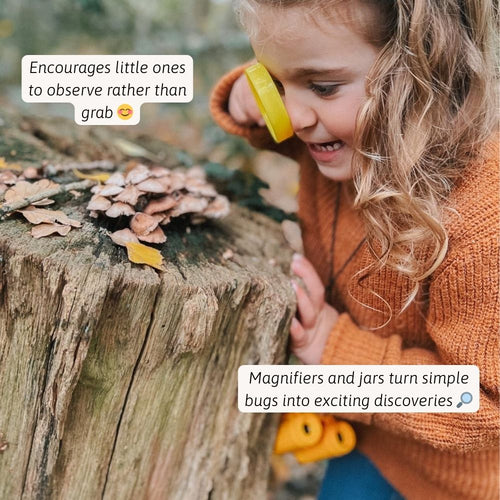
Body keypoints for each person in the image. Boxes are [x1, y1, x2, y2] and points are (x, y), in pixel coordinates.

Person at [209, 0, 499, 498]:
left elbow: (482, 402)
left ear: (419, 69)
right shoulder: (341, 133)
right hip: (367, 434)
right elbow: (283, 116)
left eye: (321, 87)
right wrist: (249, 95)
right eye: (278, 83)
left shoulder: (477, 217)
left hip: (446, 481)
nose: (295, 117)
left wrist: (333, 351)